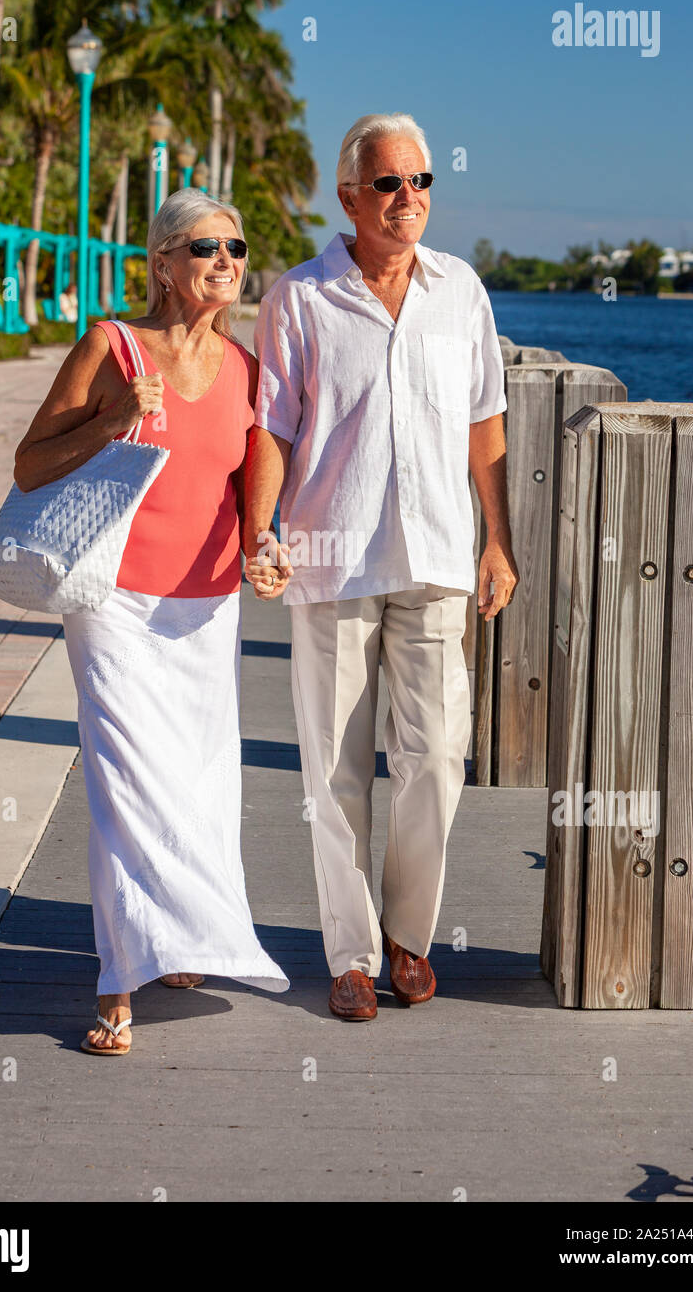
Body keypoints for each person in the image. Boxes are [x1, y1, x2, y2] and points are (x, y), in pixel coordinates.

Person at [244, 112, 519, 1021]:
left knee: (438, 756)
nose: (411, 199)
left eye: (423, 182)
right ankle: (351, 954)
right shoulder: (300, 298)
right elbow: (273, 428)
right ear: (351, 197)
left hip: (440, 551)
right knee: (334, 770)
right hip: (334, 554)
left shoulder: (462, 292)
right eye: (391, 184)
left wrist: (499, 538)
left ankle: (409, 936)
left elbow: (486, 425)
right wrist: (265, 528)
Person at [14, 188, 289, 1055]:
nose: (226, 263)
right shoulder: (111, 344)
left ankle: (181, 938)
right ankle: (116, 982)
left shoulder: (245, 368)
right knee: (127, 784)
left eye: (237, 250)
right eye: (207, 247)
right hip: (117, 601)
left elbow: (248, 480)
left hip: (208, 604)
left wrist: (262, 547)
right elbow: (28, 466)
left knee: (204, 782)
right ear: (163, 263)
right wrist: (114, 419)